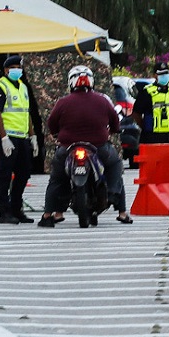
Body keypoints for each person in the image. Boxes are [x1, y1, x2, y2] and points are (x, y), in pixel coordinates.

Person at [39, 65, 132, 227]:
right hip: (100, 147)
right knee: (115, 165)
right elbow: (115, 123)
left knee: (57, 178)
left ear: (71, 83)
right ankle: (122, 212)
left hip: (67, 148)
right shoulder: (102, 100)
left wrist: (57, 134)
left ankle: (48, 214)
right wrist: (114, 130)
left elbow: (51, 124)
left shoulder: (63, 102)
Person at [0, 55, 38, 224]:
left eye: (19, 67)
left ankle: (16, 209)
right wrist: (3, 138)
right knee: (4, 174)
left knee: (24, 174)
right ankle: (4, 212)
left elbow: (26, 112)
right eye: (14, 67)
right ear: (6, 70)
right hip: (6, 138)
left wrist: (33, 136)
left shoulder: (23, 87)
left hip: (22, 137)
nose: (17, 70)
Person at [134, 65, 169, 144]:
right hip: (152, 137)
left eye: (167, 73)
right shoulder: (147, 92)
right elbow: (136, 114)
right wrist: (145, 127)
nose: (165, 76)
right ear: (155, 76)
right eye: (161, 74)